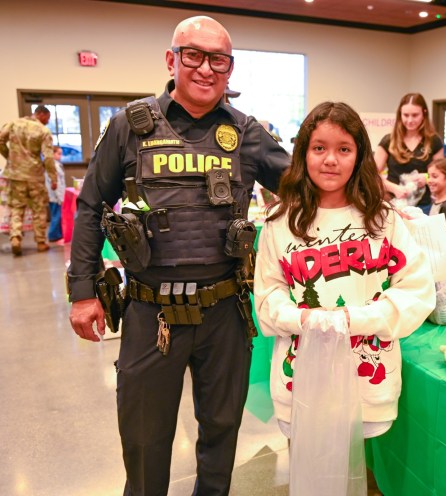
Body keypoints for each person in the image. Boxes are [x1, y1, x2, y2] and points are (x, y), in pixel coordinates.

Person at [66, 16, 289, 496]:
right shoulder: (130, 125)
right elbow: (90, 207)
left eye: (219, 60)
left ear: (230, 69)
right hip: (151, 311)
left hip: (225, 312)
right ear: (172, 60)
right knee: (145, 442)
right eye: (194, 55)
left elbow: (303, 185)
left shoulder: (247, 133)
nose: (206, 69)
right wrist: (83, 292)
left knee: (221, 433)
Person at [253, 102, 435, 490]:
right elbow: (267, 298)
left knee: (364, 476)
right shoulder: (279, 223)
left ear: (360, 155)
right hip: (300, 376)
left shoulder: (383, 220)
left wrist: (354, 320)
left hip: (369, 375)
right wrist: (304, 319)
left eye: (344, 149)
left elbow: (416, 290)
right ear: (303, 153)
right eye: (319, 148)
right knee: (311, 469)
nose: (330, 160)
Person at [0, 105, 57, 256]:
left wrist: (10, 159)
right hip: (35, 176)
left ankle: (15, 238)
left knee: (17, 207)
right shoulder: (43, 131)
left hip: (15, 175)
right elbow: (49, 157)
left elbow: (0, 139)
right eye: (48, 118)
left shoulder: (14, 123)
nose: (48, 121)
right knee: (39, 208)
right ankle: (40, 242)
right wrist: (53, 178)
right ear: (41, 115)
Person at [374, 93, 444, 213]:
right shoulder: (388, 141)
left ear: (424, 113)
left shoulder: (434, 141)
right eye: (406, 115)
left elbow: (441, 173)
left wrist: (427, 177)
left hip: (423, 206)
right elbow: (371, 175)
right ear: (399, 115)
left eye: (415, 115)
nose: (410, 120)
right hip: (393, 205)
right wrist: (395, 188)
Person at [46, 145, 66, 243]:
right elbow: (56, 183)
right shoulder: (53, 167)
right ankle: (53, 235)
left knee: (57, 215)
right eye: (58, 154)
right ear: (52, 154)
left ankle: (57, 234)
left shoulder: (56, 165)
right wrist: (60, 198)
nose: (60, 156)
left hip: (55, 196)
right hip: (55, 196)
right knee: (56, 216)